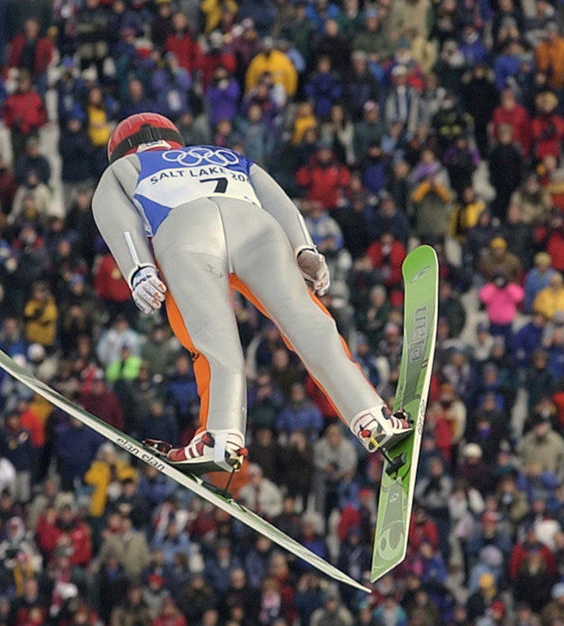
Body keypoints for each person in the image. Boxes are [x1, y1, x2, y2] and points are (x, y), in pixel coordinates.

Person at [91, 112, 411, 472]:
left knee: (214, 340)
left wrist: (138, 270)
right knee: (309, 324)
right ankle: (372, 417)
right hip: (256, 225)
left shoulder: (124, 168)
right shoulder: (223, 153)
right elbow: (278, 201)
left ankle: (220, 437)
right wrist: (305, 249)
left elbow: (113, 214)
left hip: (183, 227)